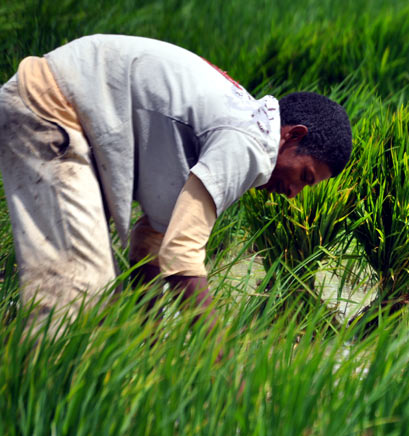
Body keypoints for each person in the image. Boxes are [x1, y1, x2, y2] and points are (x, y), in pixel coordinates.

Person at [0, 34, 352, 335]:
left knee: (100, 304)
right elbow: (181, 252)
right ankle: (43, 398)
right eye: (305, 176)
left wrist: (147, 341)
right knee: (81, 293)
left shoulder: (237, 123)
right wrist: (220, 363)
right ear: (292, 136)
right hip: (50, 107)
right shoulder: (250, 143)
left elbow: (156, 242)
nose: (294, 193)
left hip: (67, 107)